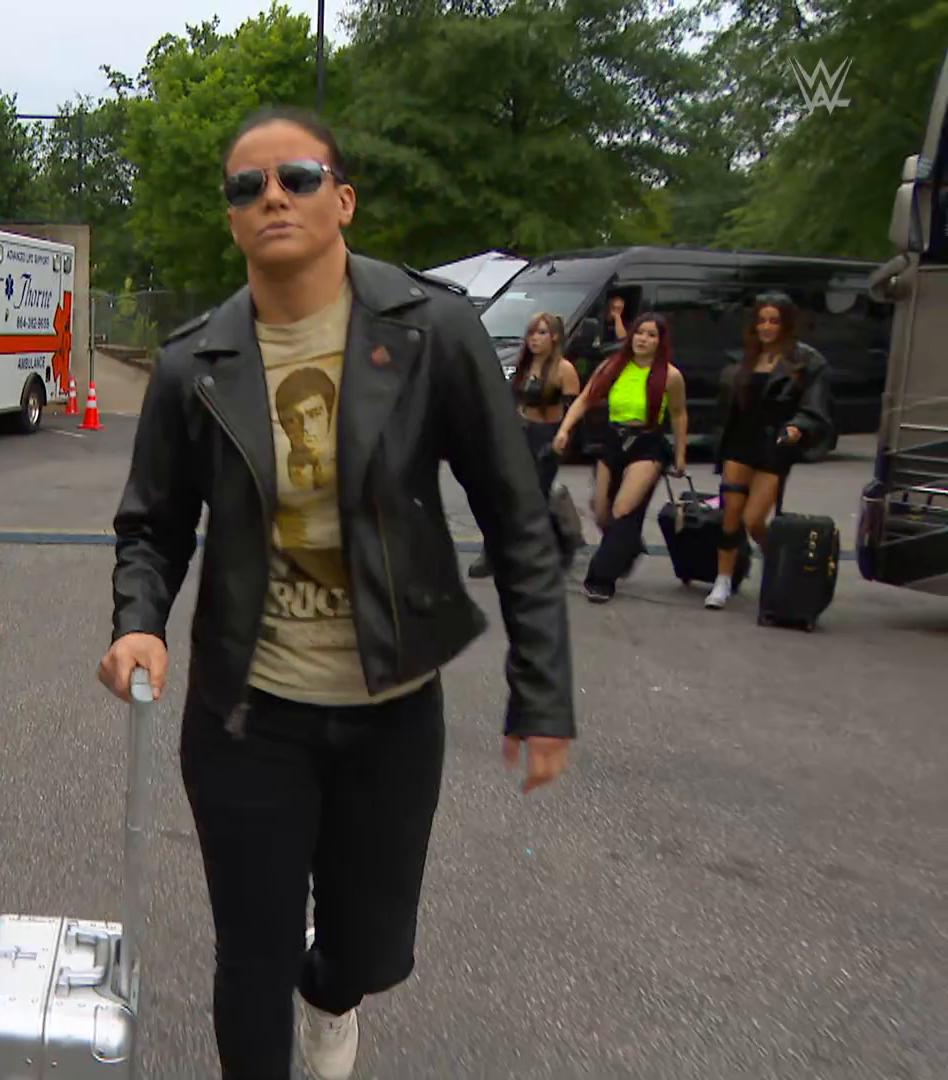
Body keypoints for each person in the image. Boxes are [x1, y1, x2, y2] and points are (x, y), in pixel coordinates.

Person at [95, 105, 576, 1080]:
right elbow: (151, 525)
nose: (272, 196)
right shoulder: (195, 363)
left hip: (391, 709)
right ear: (233, 217)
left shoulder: (431, 332)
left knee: (371, 951)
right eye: (248, 186)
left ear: (343, 200)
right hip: (245, 713)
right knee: (252, 954)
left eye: (298, 177)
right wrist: (139, 622)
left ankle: (333, 990)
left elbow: (519, 518)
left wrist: (543, 692)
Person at [703, 293, 834, 609]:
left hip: (775, 445)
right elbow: (726, 406)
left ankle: (775, 558)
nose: (766, 327)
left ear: (786, 324)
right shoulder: (743, 359)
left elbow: (816, 405)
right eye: (761, 321)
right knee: (730, 517)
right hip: (740, 442)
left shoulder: (806, 360)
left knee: (753, 520)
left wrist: (798, 426)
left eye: (774, 321)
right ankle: (722, 581)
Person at [552, 313, 689, 603]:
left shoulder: (670, 376)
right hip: (613, 440)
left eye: (651, 335)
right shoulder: (612, 366)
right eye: (640, 332)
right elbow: (585, 399)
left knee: (624, 510)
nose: (643, 339)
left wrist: (680, 455)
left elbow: (679, 414)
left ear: (660, 341)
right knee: (602, 512)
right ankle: (627, 546)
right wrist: (564, 430)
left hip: (647, 444)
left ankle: (601, 578)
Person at [468, 311, 584, 577]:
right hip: (520, 432)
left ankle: (556, 544)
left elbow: (574, 410)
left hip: (548, 436)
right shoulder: (523, 366)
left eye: (542, 333)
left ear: (555, 337)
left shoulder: (564, 369)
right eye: (531, 333)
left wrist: (562, 438)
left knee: (534, 498)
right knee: (502, 493)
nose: (534, 339)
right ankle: (493, 553)